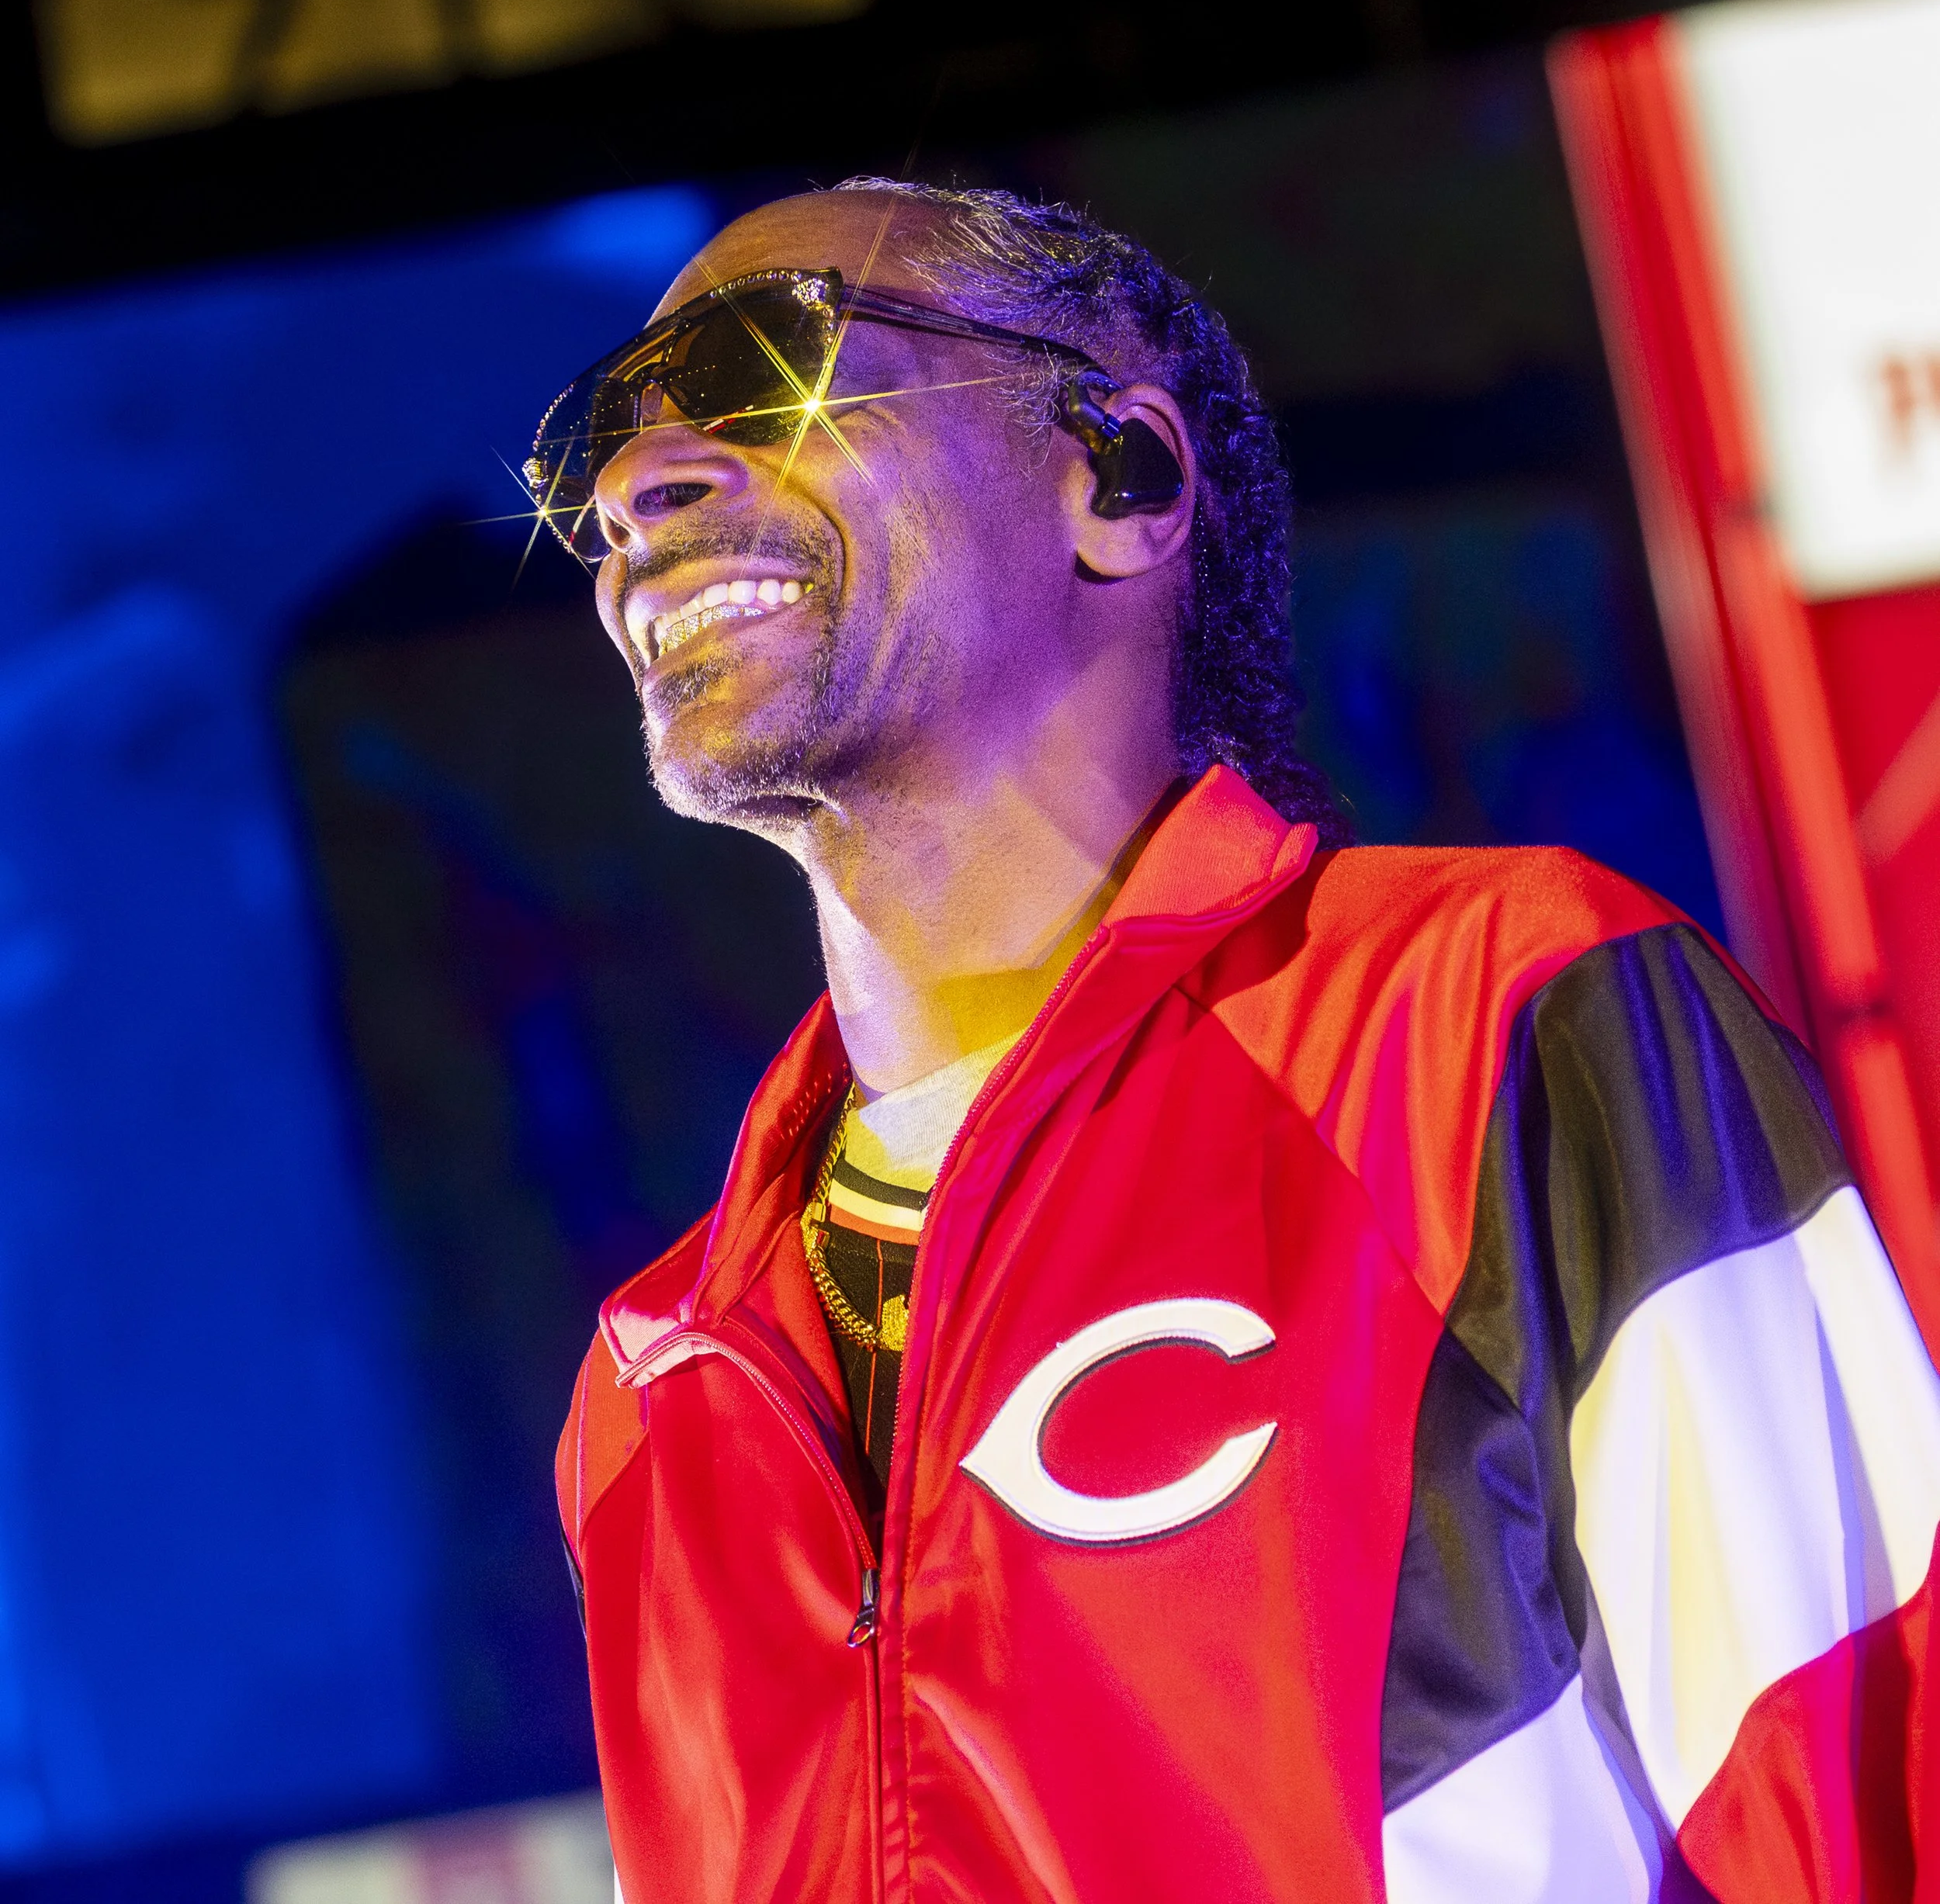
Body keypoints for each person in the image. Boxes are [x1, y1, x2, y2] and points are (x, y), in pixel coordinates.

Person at [541, 181, 1940, 1903]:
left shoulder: (1495, 1016)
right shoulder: (651, 1391)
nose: (633, 485)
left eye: (764, 370)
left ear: (1117, 477)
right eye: (605, 441)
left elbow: (1851, 1792)